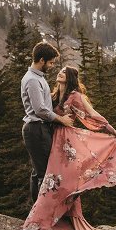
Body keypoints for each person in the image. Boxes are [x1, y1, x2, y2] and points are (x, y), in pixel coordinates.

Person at [22, 65, 116, 230]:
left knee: (61, 178)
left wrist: (112, 131)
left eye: (64, 72)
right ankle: (45, 216)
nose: (59, 72)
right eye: (60, 70)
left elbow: (93, 114)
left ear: (70, 77)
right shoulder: (54, 95)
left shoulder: (75, 96)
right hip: (49, 137)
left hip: (65, 141)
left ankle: (64, 218)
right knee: (45, 175)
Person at [22, 42, 75, 203]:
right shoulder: (32, 80)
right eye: (51, 62)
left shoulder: (38, 78)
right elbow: (40, 110)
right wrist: (62, 120)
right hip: (36, 128)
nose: (52, 66)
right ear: (42, 60)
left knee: (38, 171)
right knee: (44, 173)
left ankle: (37, 213)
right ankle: (40, 216)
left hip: (38, 129)